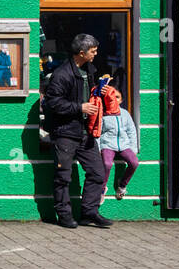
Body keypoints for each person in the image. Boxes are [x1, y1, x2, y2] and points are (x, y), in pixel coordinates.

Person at [42, 33, 112, 229]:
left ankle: (89, 212)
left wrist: (100, 91)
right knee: (63, 176)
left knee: (98, 172)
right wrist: (80, 108)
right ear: (81, 53)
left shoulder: (90, 69)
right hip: (65, 132)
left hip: (86, 132)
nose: (96, 54)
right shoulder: (61, 74)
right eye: (93, 51)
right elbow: (53, 103)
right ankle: (64, 215)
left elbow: (89, 93)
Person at [97, 84, 139, 202]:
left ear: (121, 100)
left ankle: (122, 185)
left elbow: (131, 130)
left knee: (134, 162)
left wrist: (133, 148)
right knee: (107, 164)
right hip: (108, 144)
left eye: (118, 97)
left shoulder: (125, 113)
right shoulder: (103, 113)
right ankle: (101, 189)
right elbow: (98, 132)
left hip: (123, 144)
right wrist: (99, 147)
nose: (114, 99)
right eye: (112, 96)